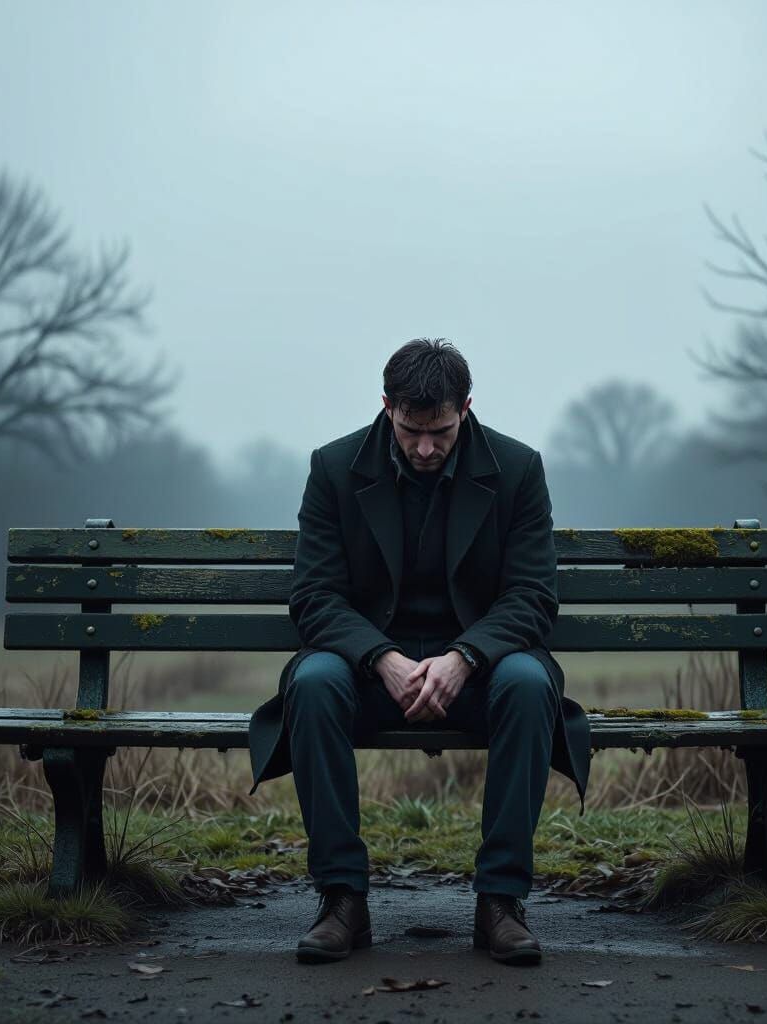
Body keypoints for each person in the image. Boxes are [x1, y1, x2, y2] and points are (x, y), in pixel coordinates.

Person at [247, 338, 592, 965]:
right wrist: (381, 656)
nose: (426, 447)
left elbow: (534, 597)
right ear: (386, 408)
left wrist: (466, 656)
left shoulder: (517, 469)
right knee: (315, 681)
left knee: (528, 681)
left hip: (484, 675)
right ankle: (342, 899)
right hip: (368, 675)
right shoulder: (334, 467)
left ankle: (501, 902)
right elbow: (315, 596)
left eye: (441, 431)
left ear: (466, 407)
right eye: (410, 430)